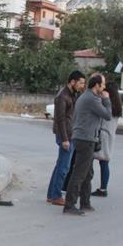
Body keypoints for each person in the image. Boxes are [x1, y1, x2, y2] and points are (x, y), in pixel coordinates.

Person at [63, 74, 112, 216]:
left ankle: (85, 202)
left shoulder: (88, 97)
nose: (104, 88)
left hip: (85, 138)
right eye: (102, 85)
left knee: (88, 173)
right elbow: (107, 115)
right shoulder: (91, 98)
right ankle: (69, 205)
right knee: (79, 173)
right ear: (96, 85)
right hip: (85, 139)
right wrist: (107, 100)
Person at [47, 70, 85, 205]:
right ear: (72, 82)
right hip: (66, 136)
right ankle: (56, 195)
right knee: (64, 167)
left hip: (70, 134)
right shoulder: (62, 96)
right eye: (80, 83)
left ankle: (52, 194)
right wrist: (65, 139)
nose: (82, 86)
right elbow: (61, 119)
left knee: (60, 165)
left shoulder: (73, 95)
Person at [91, 81, 123, 197]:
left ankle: (87, 185)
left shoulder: (106, 103)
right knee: (104, 162)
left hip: (102, 135)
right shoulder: (118, 105)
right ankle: (103, 188)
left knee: (90, 160)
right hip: (110, 136)